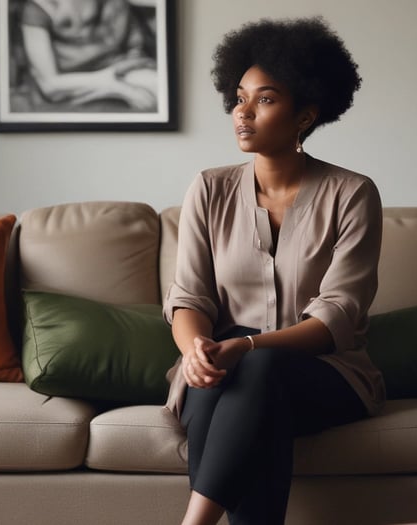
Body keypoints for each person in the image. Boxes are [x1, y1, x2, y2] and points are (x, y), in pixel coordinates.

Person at [162, 17, 385, 525]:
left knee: (256, 367)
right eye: (239, 97)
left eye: (264, 99)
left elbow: (337, 318)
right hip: (223, 370)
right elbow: (190, 298)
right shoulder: (208, 188)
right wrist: (194, 350)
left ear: (305, 113)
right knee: (236, 388)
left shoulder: (352, 194)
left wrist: (249, 346)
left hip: (327, 374)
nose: (242, 112)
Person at [16, 0, 158, 112]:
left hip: (119, 69)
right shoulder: (37, 9)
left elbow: (134, 49)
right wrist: (119, 89)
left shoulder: (115, 4)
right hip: (72, 85)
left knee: (160, 89)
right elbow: (50, 85)